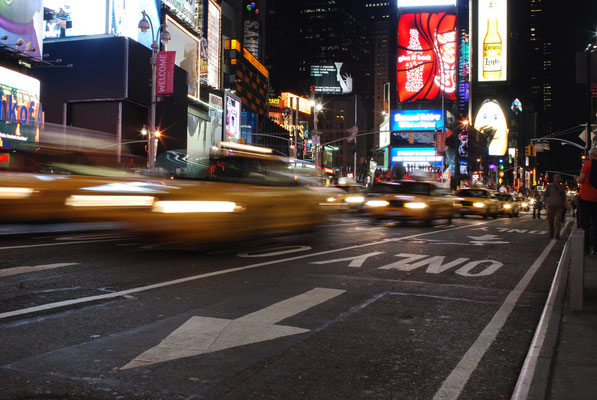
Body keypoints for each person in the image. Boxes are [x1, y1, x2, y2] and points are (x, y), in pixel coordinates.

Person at [575, 147, 597, 255]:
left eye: (589, 154)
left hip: (585, 197)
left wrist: (576, 179)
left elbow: (581, 179)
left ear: (592, 154)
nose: (588, 156)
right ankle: (596, 248)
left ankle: (586, 248)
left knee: (585, 223)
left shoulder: (588, 164)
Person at [543, 174, 567, 239]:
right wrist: (545, 202)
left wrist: (565, 204)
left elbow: (564, 196)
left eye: (559, 178)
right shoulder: (550, 186)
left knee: (558, 221)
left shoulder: (562, 187)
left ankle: (557, 234)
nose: (557, 179)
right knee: (550, 220)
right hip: (551, 205)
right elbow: (545, 194)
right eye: (556, 178)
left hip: (559, 206)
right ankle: (551, 232)